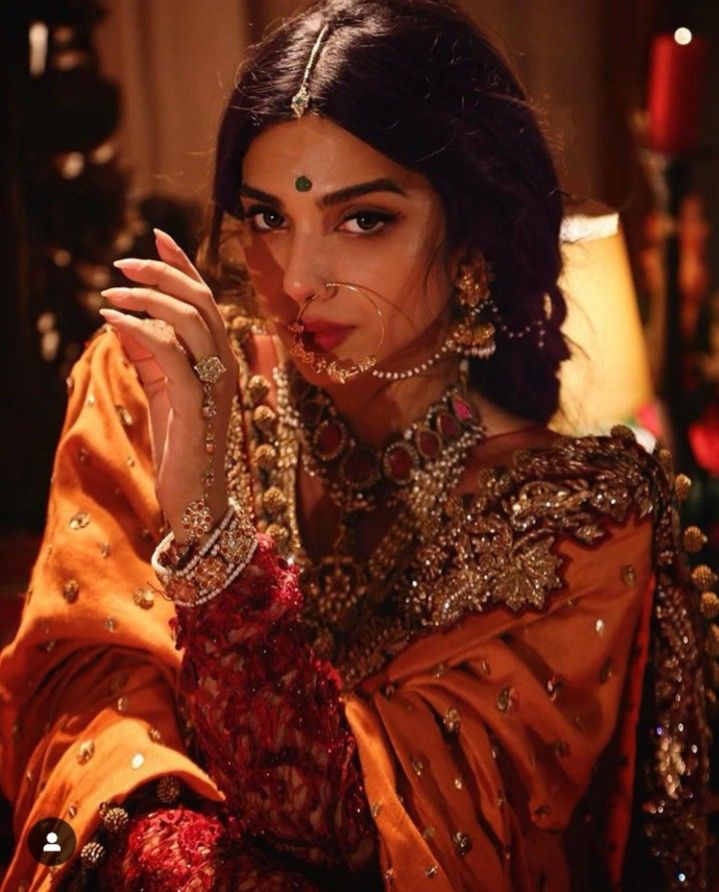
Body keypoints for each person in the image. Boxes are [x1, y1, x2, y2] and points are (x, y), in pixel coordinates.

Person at [0, 0, 713, 889]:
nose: (296, 280)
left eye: (363, 219)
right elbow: (85, 733)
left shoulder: (577, 526)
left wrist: (211, 536)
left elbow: (374, 841)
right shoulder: (153, 390)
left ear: (470, 236)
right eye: (266, 217)